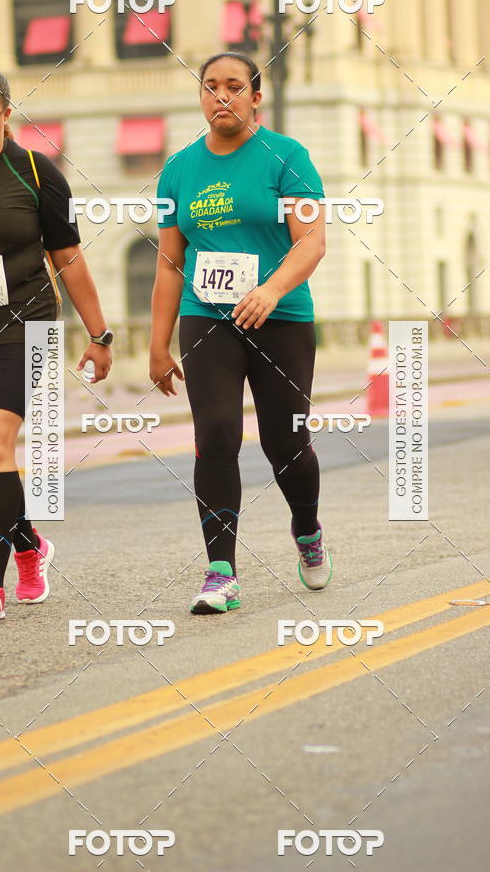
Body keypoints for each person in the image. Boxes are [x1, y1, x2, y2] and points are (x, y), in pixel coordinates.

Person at [0, 67, 113, 623]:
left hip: (23, 327)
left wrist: (98, 335)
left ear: (7, 116)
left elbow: (69, 259)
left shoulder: (34, 170)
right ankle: (30, 545)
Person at [150, 51, 330, 615]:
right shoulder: (177, 169)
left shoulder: (287, 156)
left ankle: (307, 530)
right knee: (218, 433)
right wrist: (157, 344)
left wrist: (271, 290)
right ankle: (221, 571)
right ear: (200, 96)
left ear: (256, 96)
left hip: (281, 318)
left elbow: (311, 242)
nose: (221, 95)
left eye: (234, 86)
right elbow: (169, 264)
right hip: (207, 316)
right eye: (211, 86)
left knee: (285, 444)